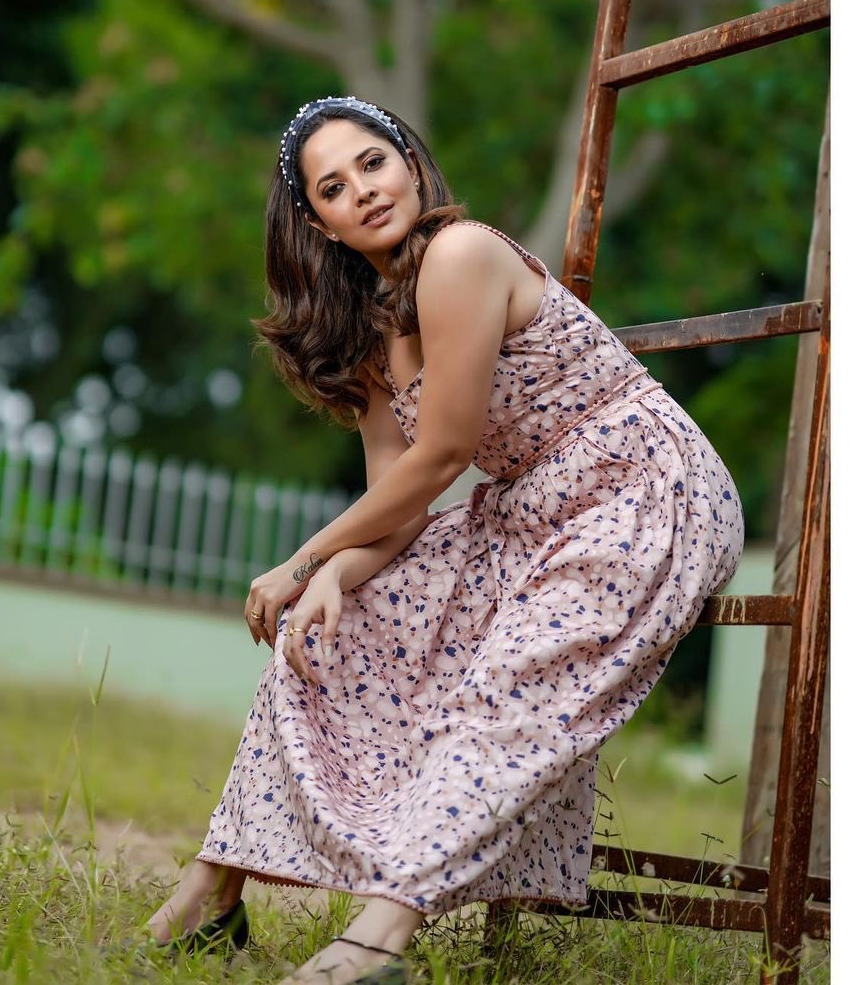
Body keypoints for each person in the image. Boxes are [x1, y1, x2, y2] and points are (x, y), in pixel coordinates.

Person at [140, 96, 744, 984]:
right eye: (334, 189)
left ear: (411, 163)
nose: (364, 191)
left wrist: (306, 558)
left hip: (643, 491)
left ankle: (378, 940)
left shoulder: (461, 254)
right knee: (336, 627)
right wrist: (334, 577)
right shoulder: (376, 332)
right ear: (323, 226)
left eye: (373, 163)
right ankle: (211, 896)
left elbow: (446, 455)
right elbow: (400, 502)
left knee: (509, 686)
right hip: (528, 516)